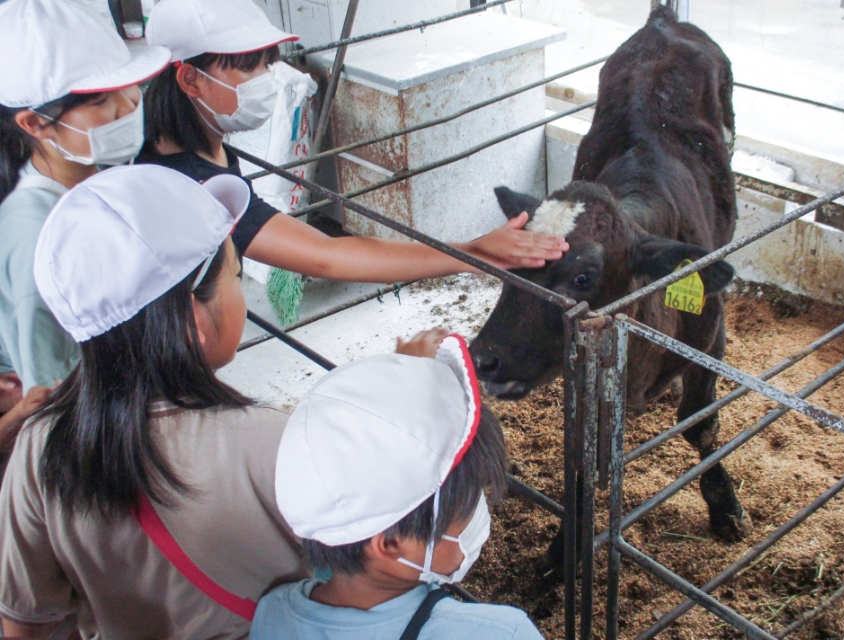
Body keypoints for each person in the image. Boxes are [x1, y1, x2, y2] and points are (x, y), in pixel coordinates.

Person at [0, 165, 313, 638]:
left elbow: (26, 625)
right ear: (193, 321)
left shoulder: (41, 446)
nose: (241, 292)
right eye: (235, 274)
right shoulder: (275, 442)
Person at [140, 0, 568, 288]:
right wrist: (474, 252)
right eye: (249, 67)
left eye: (269, 63)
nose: (267, 80)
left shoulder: (199, 147)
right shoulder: (187, 185)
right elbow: (327, 257)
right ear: (190, 79)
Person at [252, 335, 545, 640]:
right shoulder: (501, 634)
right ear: (391, 543)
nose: (482, 513)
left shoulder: (272, 613)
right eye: (469, 503)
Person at [0, 0, 170, 395]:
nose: (129, 106)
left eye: (129, 88)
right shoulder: (35, 239)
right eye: (100, 101)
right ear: (34, 123)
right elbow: (53, 395)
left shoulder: (97, 176)